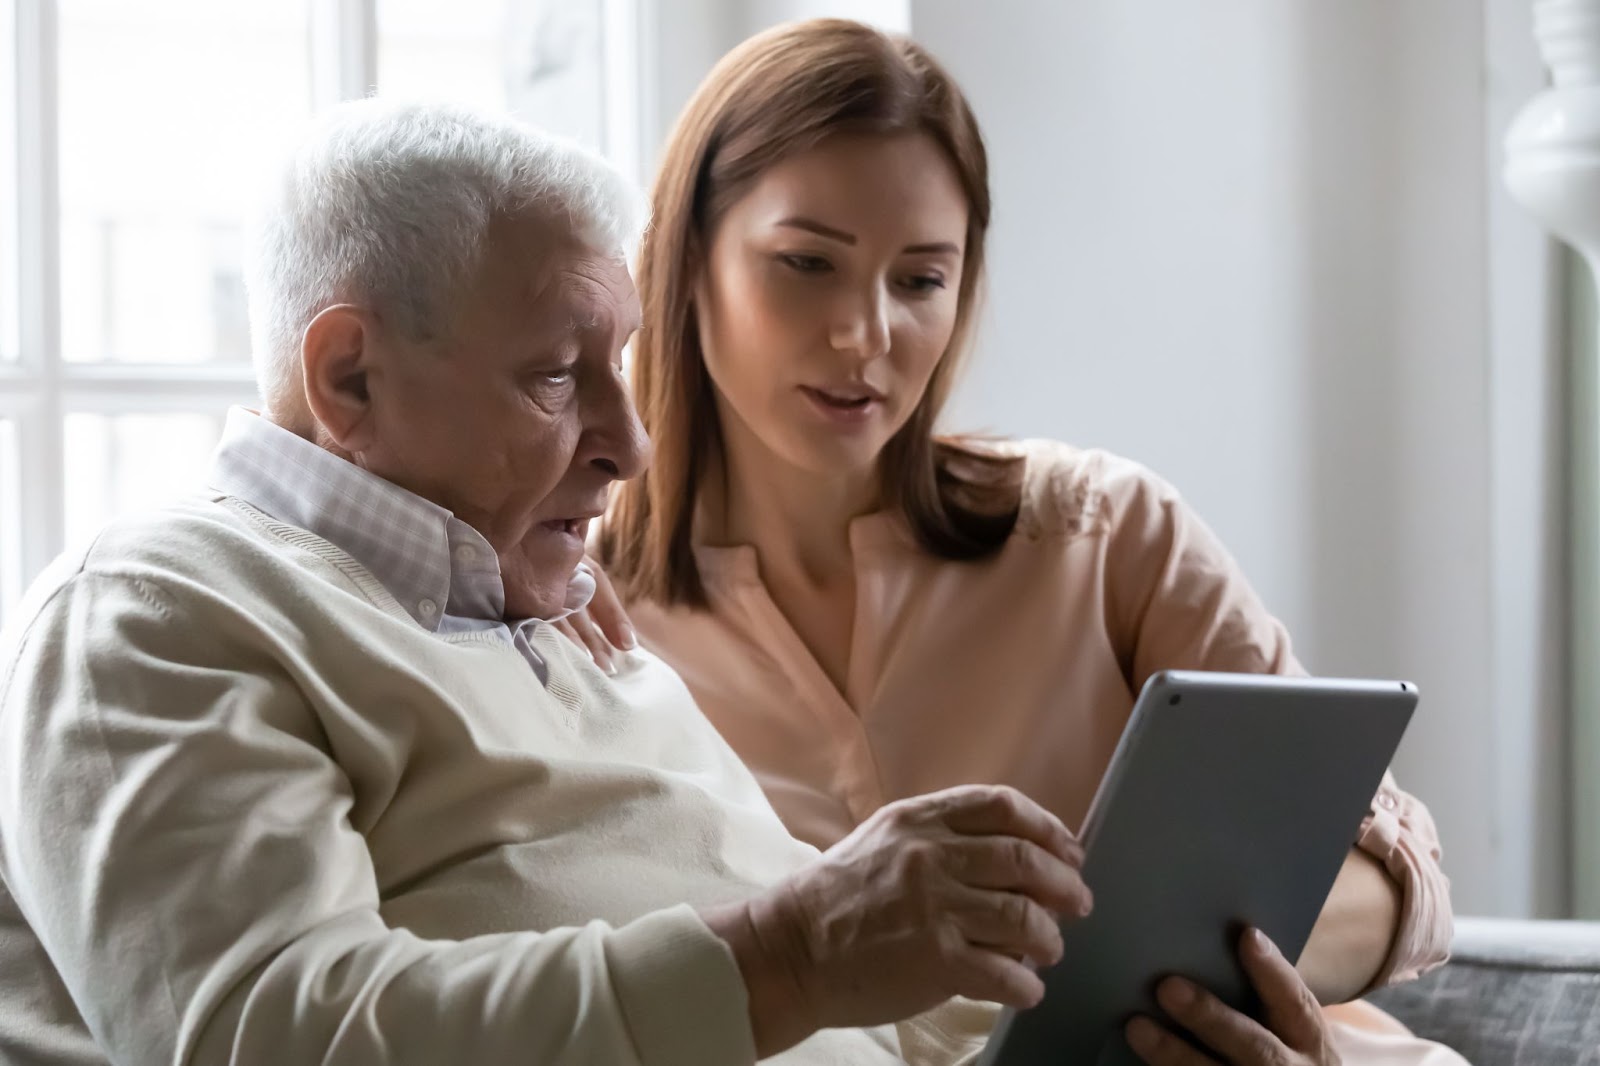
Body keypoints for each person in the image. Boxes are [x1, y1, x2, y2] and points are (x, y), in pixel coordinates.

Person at [0, 99, 1118, 1065]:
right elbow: (280, 1035)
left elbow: (848, 1019)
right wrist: (797, 952)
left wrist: (1120, 1021)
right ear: (348, 378)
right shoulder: (156, 610)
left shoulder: (549, 610)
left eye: (618, 366)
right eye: (552, 374)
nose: (630, 444)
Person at [588, 18, 1467, 1065]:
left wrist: (1176, 985)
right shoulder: (581, 615)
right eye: (807, 263)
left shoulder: (1105, 534)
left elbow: (1398, 874)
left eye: (919, 279)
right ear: (683, 264)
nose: (865, 335)